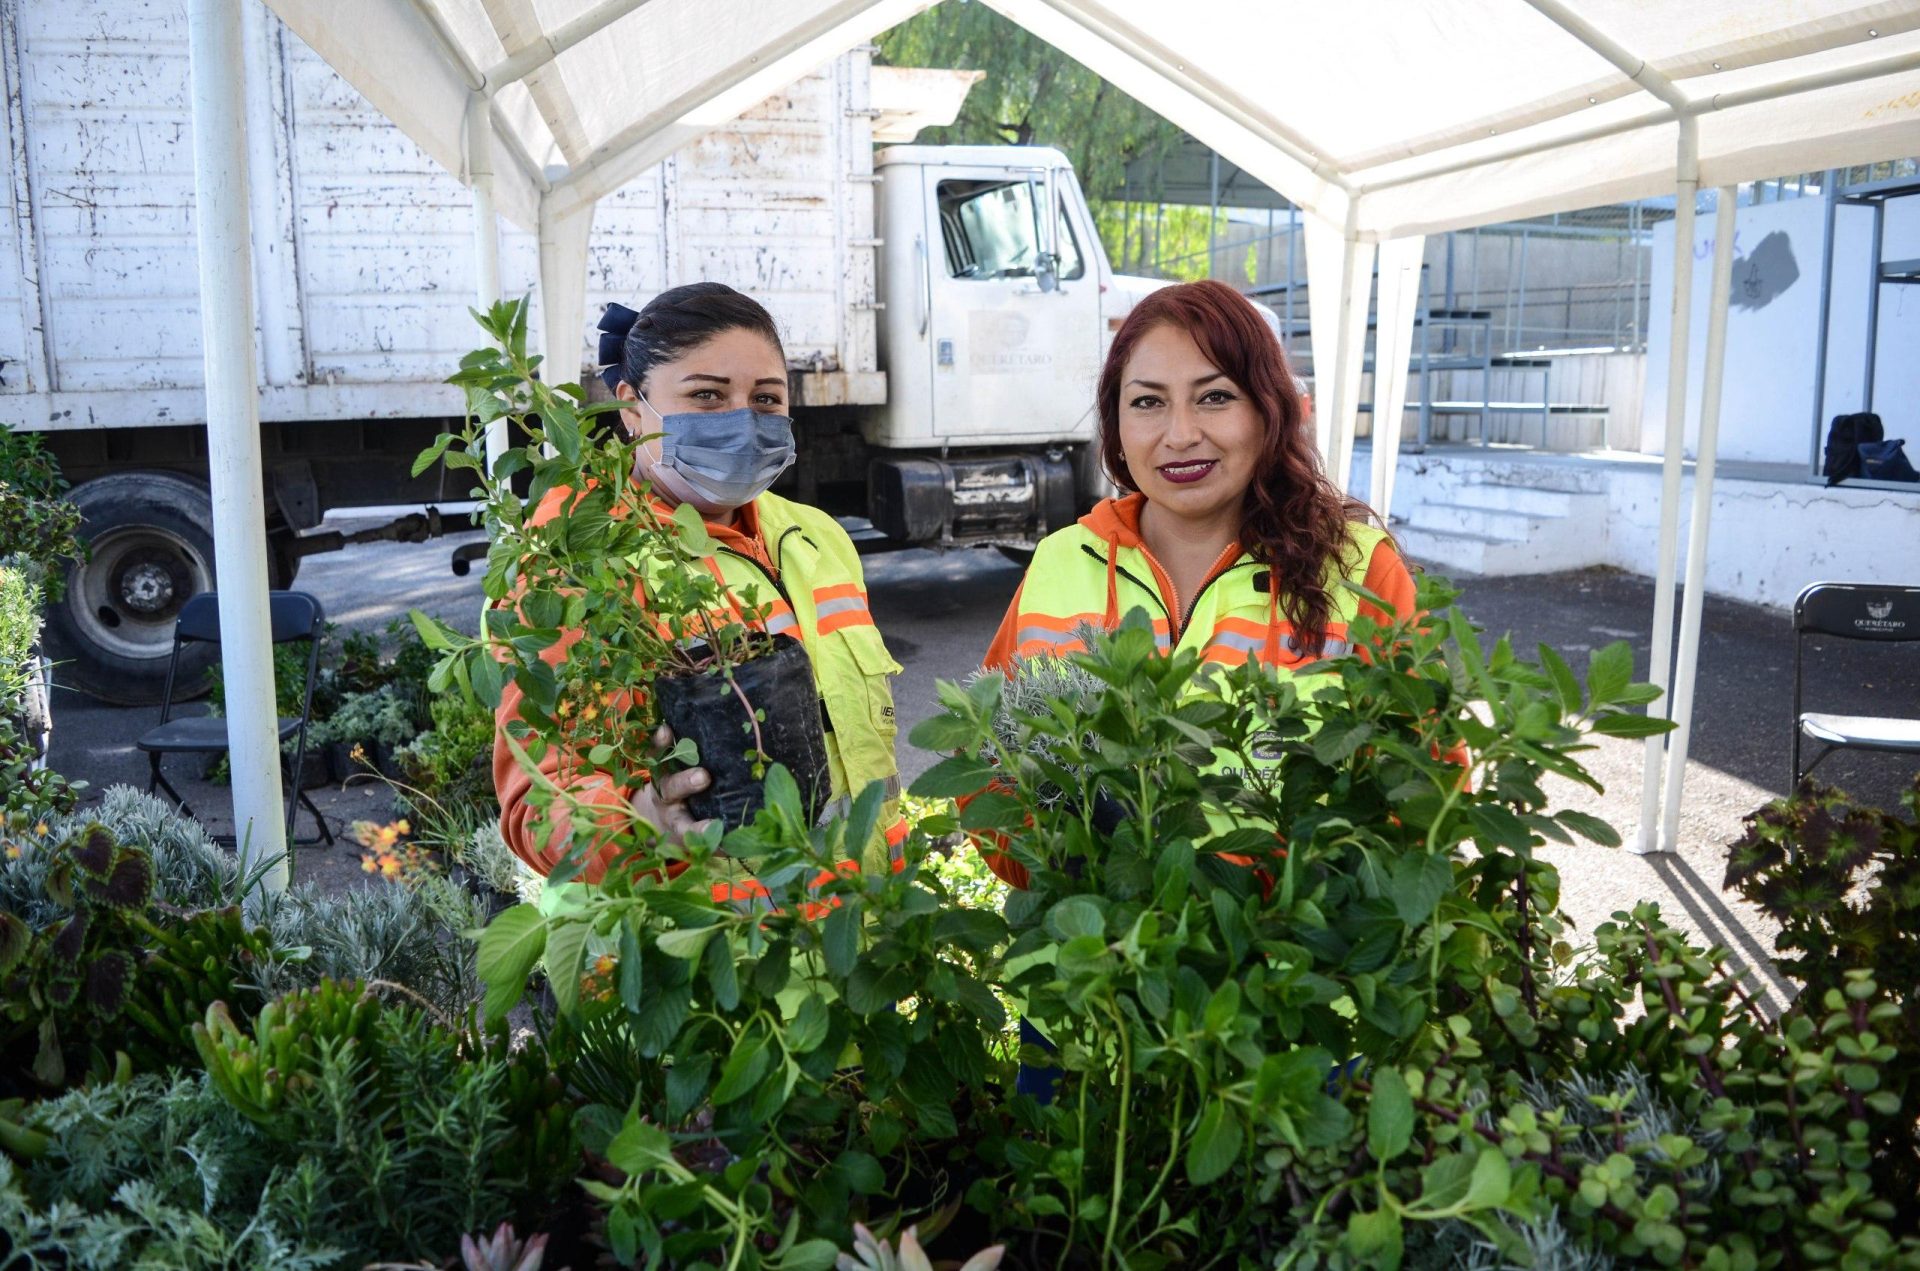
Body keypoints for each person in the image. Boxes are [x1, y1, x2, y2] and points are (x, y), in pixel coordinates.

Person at [979, 279, 1421, 890]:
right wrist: (1072, 869)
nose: (1180, 433)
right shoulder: (1061, 560)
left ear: (1269, 409)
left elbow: (1421, 798)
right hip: (1097, 970)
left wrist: (1247, 904)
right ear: (1115, 423)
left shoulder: (1359, 571)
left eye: (1214, 397)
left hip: (1291, 971)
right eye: (1147, 402)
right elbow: (988, 775)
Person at [493, 282, 904, 891]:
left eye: (766, 398)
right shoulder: (578, 556)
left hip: (866, 933)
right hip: (714, 960)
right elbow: (537, 800)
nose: (742, 420)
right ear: (632, 408)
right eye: (707, 395)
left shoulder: (816, 536)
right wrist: (635, 826)